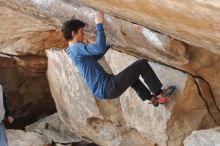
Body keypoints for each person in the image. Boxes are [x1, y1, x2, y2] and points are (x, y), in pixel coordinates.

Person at [62, 11, 176, 107]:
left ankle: (152, 99)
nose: (83, 35)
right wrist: (99, 25)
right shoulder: (76, 48)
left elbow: (95, 56)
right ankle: (160, 94)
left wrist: (108, 46)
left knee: (132, 77)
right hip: (108, 87)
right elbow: (98, 47)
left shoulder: (72, 51)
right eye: (81, 32)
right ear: (73, 33)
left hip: (106, 89)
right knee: (142, 64)